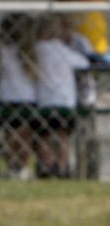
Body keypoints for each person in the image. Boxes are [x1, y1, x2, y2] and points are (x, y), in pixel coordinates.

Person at [34, 14, 90, 177]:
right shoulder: (64, 50)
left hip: (45, 101)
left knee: (44, 135)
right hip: (65, 101)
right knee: (62, 135)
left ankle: (46, 165)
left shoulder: (37, 49)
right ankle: (61, 166)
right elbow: (84, 63)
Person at [0, 14, 38, 179]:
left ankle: (12, 165)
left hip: (7, 97)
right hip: (27, 98)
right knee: (24, 135)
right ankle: (23, 166)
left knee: (11, 135)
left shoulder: (3, 51)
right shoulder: (30, 51)